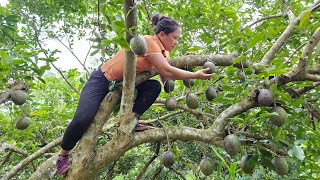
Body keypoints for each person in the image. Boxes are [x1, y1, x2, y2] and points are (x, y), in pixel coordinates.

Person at [56, 14, 213, 175]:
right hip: (103, 79)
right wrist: (196, 75)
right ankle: (63, 155)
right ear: (161, 35)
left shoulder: (164, 53)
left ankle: (132, 119)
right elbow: (167, 70)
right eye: (174, 38)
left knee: (154, 87)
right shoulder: (149, 42)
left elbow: (165, 77)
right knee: (83, 118)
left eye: (178, 39)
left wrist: (186, 63)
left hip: (126, 84)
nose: (176, 42)